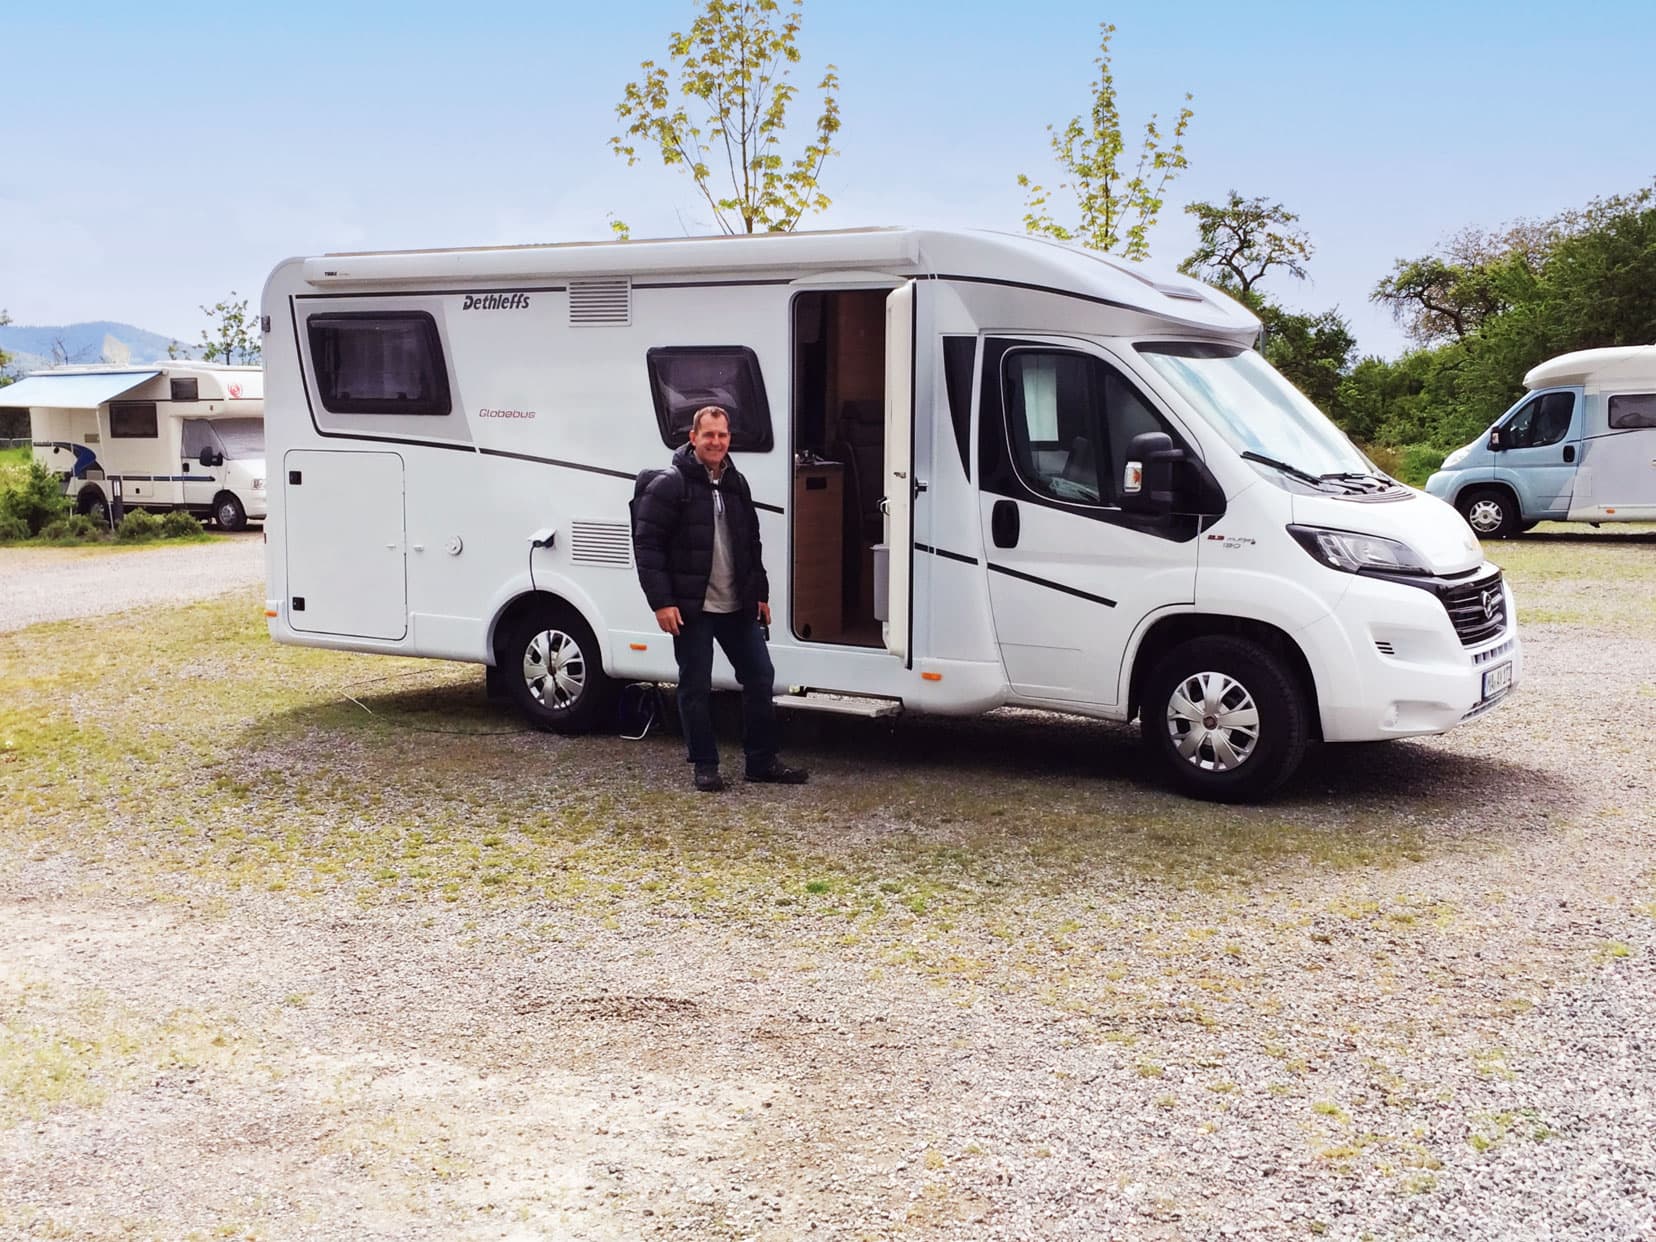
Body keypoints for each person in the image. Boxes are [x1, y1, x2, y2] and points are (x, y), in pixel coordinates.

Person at [633, 406, 808, 793]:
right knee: (696, 686)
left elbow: (751, 542)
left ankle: (761, 761)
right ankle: (705, 764)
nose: (716, 442)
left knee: (760, 678)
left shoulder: (736, 482)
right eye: (709, 435)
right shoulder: (670, 484)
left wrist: (758, 594)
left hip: (736, 605)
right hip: (692, 608)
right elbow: (648, 546)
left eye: (722, 435)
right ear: (693, 438)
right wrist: (661, 602)